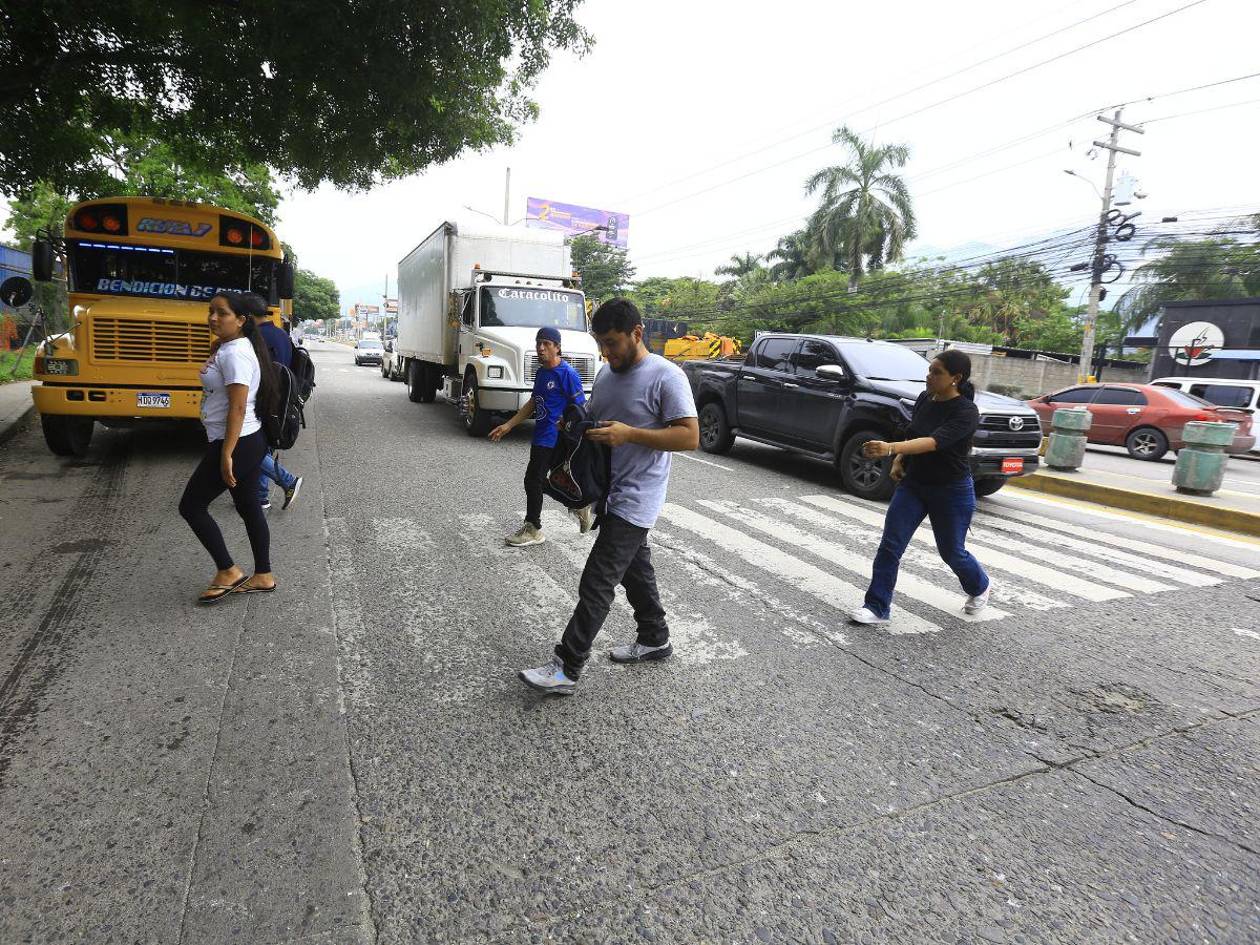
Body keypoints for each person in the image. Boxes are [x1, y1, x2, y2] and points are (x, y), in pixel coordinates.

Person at [518, 299, 699, 696]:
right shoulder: (606, 374)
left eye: (612, 343)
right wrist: (574, 424)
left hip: (638, 496)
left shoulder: (666, 377)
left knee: (597, 580)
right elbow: (592, 417)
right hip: (608, 491)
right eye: (600, 343)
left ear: (637, 333)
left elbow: (689, 436)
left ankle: (566, 666)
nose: (605, 352)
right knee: (635, 568)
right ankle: (655, 637)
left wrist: (629, 434)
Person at [850, 349, 991, 626]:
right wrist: (900, 460)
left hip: (951, 490)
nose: (929, 376)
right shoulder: (926, 398)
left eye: (937, 372)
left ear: (955, 378)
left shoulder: (965, 411)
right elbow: (915, 432)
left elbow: (934, 442)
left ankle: (980, 585)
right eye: (929, 370)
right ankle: (877, 607)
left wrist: (891, 448)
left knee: (952, 552)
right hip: (914, 484)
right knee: (890, 545)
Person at [179, 292, 279, 603]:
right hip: (246, 439)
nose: (212, 318)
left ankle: (228, 571)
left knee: (191, 506)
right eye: (211, 311)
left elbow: (238, 407)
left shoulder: (236, 353)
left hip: (237, 441)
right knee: (249, 507)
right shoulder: (232, 347)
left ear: (241, 320)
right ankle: (263, 575)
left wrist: (226, 454)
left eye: (221, 313)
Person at [490, 326, 591, 544]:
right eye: (538, 343)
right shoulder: (541, 372)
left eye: (546, 343)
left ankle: (533, 528)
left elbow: (580, 408)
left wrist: (569, 428)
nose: (541, 348)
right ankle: (578, 504)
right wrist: (509, 425)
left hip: (554, 438)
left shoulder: (568, 374)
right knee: (544, 481)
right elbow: (533, 403)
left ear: (557, 347)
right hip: (540, 435)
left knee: (533, 480)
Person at [241, 293, 302, 511]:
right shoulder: (281, 334)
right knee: (261, 447)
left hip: (261, 399)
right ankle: (260, 496)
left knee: (249, 448)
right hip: (278, 400)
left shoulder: (255, 337)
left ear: (248, 316)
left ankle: (287, 481)